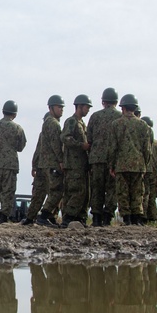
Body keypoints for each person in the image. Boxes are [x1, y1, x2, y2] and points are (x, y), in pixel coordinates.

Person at [104, 94, 153, 225]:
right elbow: (147, 149)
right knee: (137, 192)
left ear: (123, 108)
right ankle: (137, 218)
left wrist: (111, 165)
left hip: (121, 165)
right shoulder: (143, 125)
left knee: (123, 193)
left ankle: (127, 219)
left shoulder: (116, 124)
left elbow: (112, 148)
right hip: (138, 165)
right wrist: (144, 164)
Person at [25, 96, 66, 227]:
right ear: (51, 108)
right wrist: (61, 160)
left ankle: (30, 218)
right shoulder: (53, 124)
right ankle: (44, 216)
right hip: (51, 164)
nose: (61, 110)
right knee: (57, 190)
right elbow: (56, 145)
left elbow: (38, 149)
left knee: (39, 193)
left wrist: (34, 165)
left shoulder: (44, 126)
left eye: (62, 107)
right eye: (59, 107)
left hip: (42, 164)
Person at [0, 100, 27, 224]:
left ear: (3, 111)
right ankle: (4, 216)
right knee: (8, 191)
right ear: (14, 114)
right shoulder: (18, 128)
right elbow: (21, 147)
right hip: (10, 165)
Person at [86, 88, 121, 226]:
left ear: (103, 102)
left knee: (97, 189)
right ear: (116, 102)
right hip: (113, 160)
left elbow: (89, 139)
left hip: (96, 159)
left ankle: (96, 218)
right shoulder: (120, 118)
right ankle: (107, 217)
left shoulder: (95, 116)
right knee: (112, 189)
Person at [61, 94, 92, 226]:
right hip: (73, 164)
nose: (88, 110)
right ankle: (69, 217)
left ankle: (79, 217)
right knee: (76, 191)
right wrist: (81, 145)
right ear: (79, 106)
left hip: (81, 163)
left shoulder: (81, 123)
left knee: (83, 192)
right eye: (87, 107)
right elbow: (65, 138)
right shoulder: (71, 121)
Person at [141, 116, 157, 222]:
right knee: (152, 196)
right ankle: (153, 217)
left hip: (143, 170)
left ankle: (143, 216)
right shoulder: (156, 143)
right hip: (153, 171)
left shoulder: (141, 140)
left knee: (144, 194)